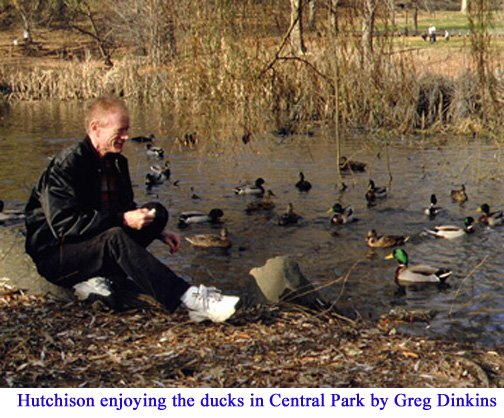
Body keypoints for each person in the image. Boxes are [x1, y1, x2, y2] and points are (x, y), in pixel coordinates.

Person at [24, 95, 239, 323]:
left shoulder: (117, 162)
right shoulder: (67, 165)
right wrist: (123, 219)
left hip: (93, 243)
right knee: (115, 236)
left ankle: (103, 277)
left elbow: (124, 208)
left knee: (156, 212)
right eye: (120, 131)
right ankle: (190, 299)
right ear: (95, 128)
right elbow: (64, 225)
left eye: (127, 130)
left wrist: (158, 232)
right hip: (56, 254)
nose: (126, 137)